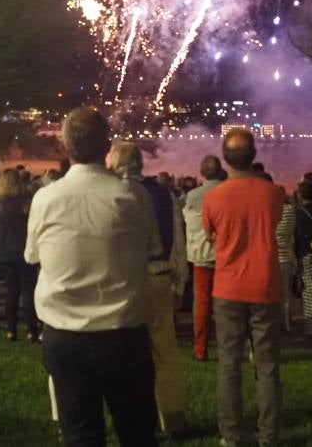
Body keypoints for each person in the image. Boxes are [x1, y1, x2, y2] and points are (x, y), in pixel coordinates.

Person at [25, 107, 160, 447]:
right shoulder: (133, 196)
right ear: (107, 147)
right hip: (123, 334)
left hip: (66, 335)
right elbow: (152, 249)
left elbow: (33, 256)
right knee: (137, 434)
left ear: (65, 147)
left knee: (81, 436)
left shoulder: (45, 198)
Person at [203, 128, 285, 447]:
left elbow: (210, 235)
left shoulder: (213, 196)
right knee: (266, 366)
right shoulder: (274, 193)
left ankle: (232, 435)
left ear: (226, 159)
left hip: (228, 287)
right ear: (254, 156)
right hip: (265, 285)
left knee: (229, 364)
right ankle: (269, 435)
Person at [110, 142, 188, 437]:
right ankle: (172, 417)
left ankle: (134, 420)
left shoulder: (114, 194)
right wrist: (180, 282)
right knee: (165, 352)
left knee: (125, 353)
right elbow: (178, 243)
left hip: (126, 279)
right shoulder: (164, 194)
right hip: (158, 276)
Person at [184, 154, 225, 360]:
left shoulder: (192, 196)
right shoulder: (227, 192)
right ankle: (227, 347)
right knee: (225, 305)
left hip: (201, 257)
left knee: (202, 304)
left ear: (202, 173)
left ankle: (200, 349)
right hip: (225, 257)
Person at [0, 168, 40, 342]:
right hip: (23, 248)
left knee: (11, 291)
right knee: (28, 291)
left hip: (5, 250)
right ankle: (31, 330)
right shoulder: (26, 202)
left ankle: (11, 330)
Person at [293, 180, 312, 338]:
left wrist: (297, 257)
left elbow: (297, 236)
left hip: (307, 254)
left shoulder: (300, 213)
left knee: (309, 291)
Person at [275, 188, 298, 332]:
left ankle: (276, 323)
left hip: (272, 257)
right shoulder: (290, 211)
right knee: (286, 294)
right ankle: (287, 325)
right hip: (286, 257)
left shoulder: (270, 211)